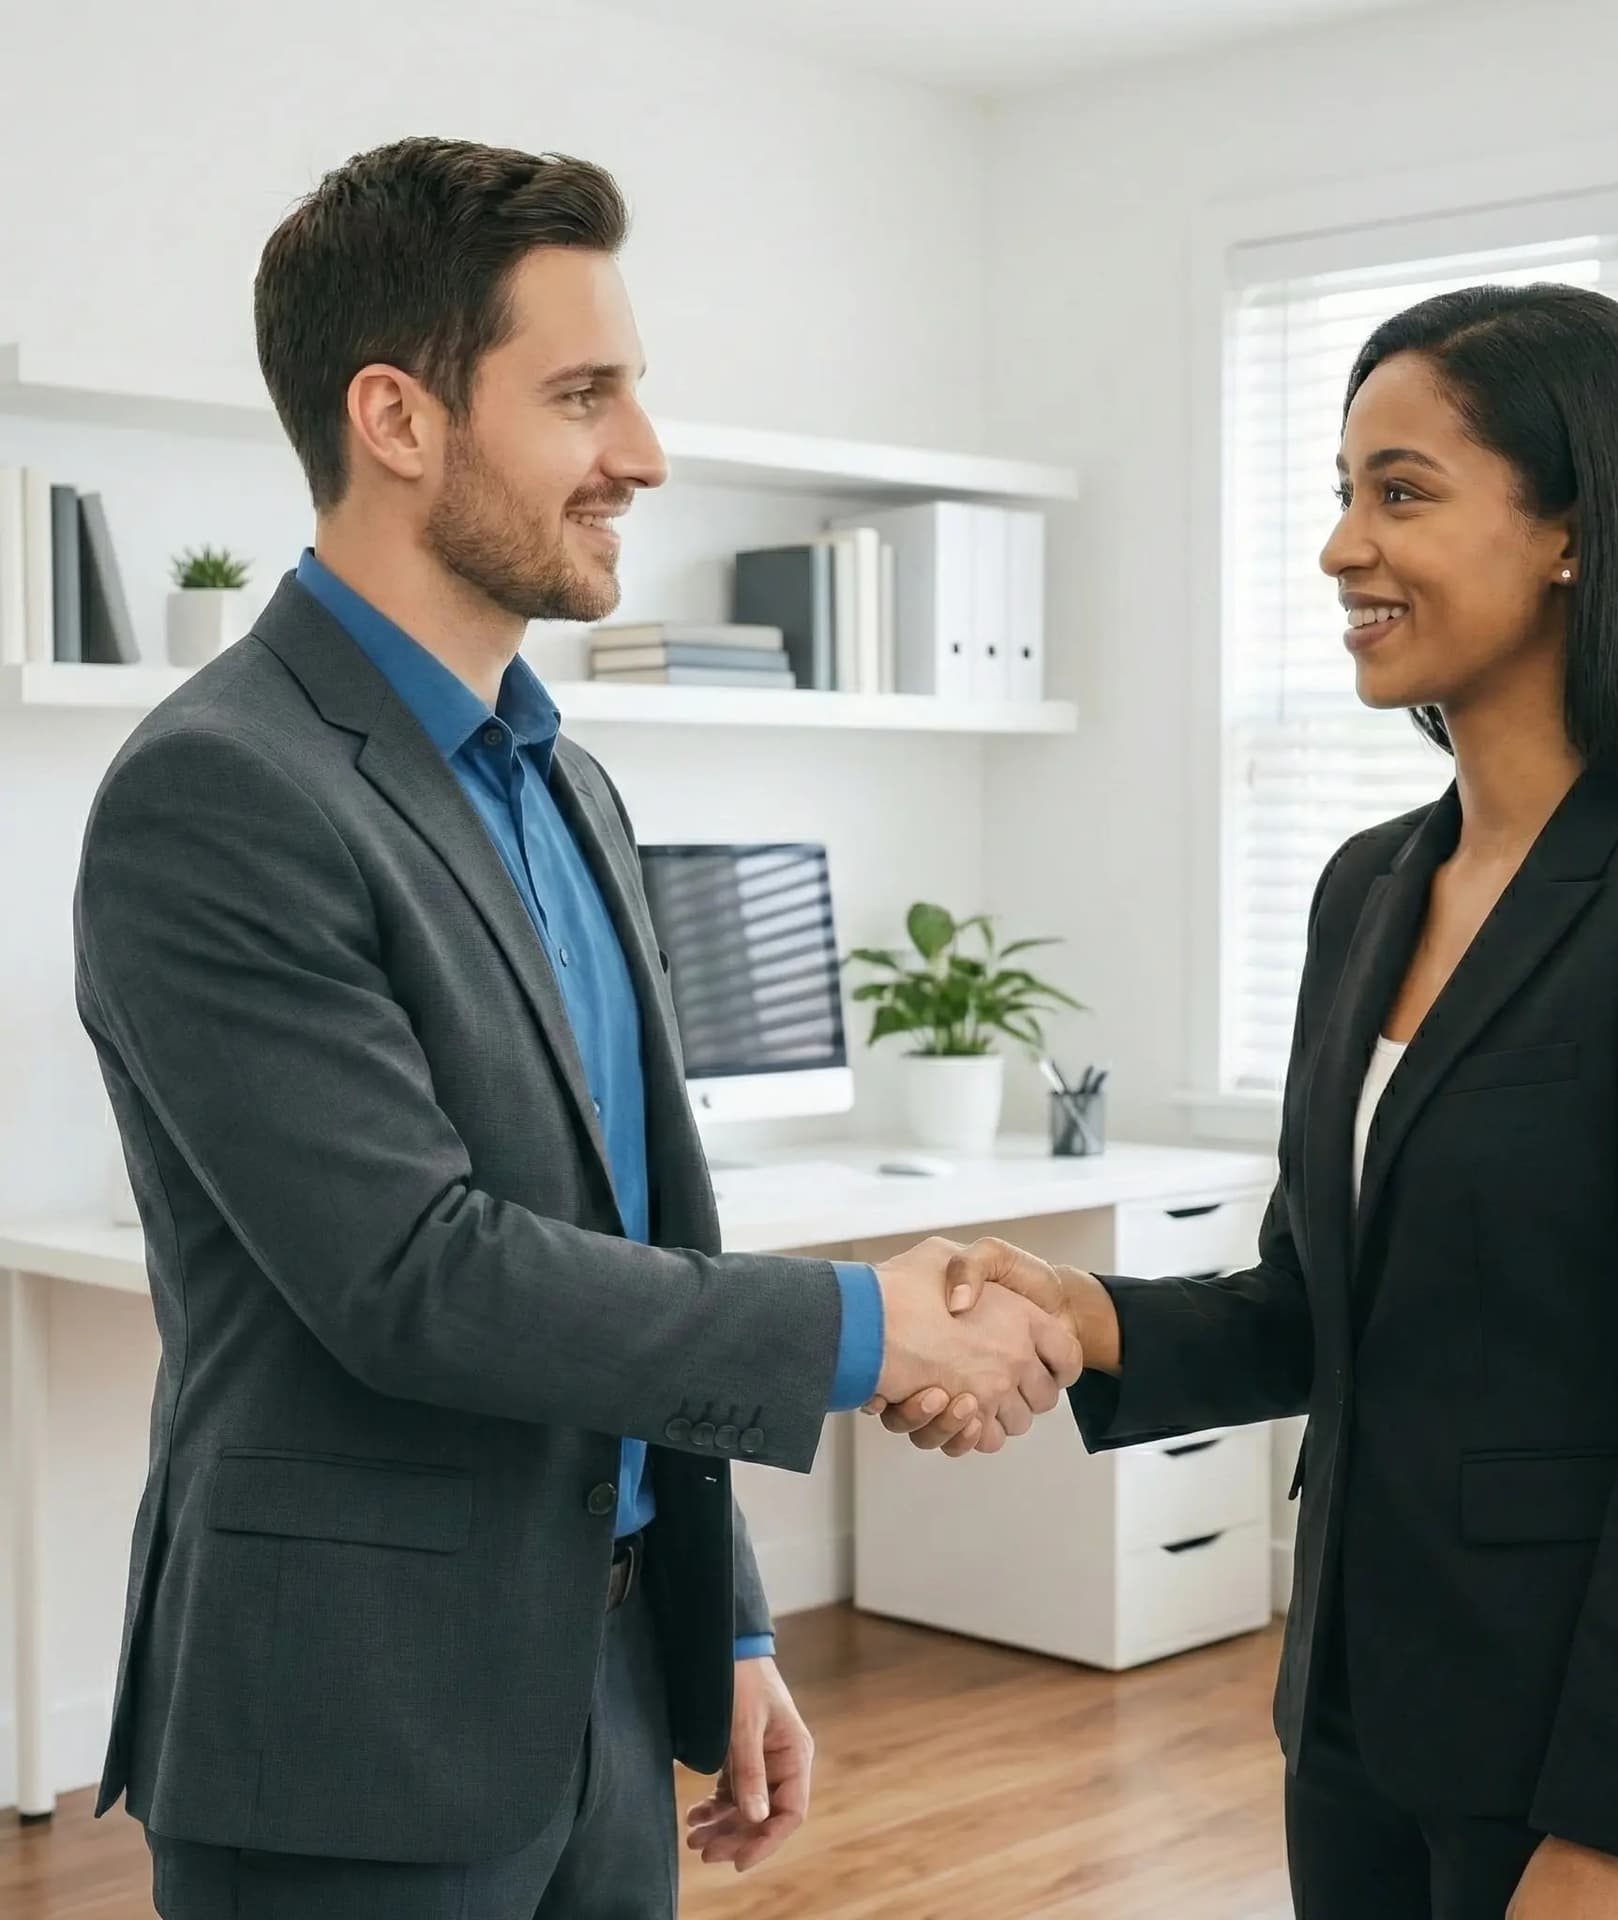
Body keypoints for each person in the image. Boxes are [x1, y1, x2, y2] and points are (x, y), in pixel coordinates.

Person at [73, 136, 1078, 1920]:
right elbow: (418, 1277)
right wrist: (871, 1326)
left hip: (608, 1690)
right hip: (351, 1726)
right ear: (397, 417)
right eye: (583, 394)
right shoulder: (220, 793)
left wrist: (732, 1616)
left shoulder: (573, 784)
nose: (646, 454)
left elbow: (636, 1244)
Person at [879, 284, 1618, 1920]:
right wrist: (1079, 1311)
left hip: (1586, 1775)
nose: (1339, 549)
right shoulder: (1369, 889)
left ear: (1573, 537)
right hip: (1359, 1728)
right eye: (1339, 490)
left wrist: (1606, 1833)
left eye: (1401, 491)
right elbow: (1315, 1308)